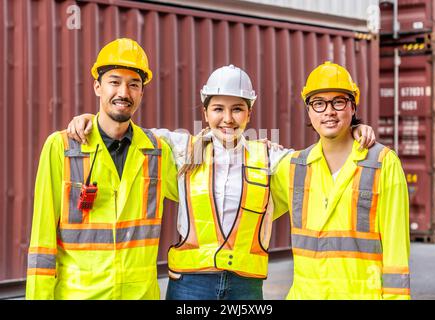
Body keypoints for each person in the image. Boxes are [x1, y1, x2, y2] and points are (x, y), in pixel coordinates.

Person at [66, 64, 376, 300]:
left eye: (237, 109)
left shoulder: (270, 158)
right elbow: (126, 131)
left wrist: (353, 133)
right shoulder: (180, 149)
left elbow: (318, 159)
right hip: (190, 285)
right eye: (218, 109)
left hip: (246, 287)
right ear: (204, 112)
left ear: (249, 114)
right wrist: (89, 121)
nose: (227, 119)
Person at [26, 38, 179, 299]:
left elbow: (201, 192)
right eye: (114, 82)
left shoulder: (158, 151)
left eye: (134, 84)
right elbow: (42, 240)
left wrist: (250, 147)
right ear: (98, 87)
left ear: (142, 92)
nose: (124, 92)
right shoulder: (62, 147)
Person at [271, 61, 410, 299]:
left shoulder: (383, 163)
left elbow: (397, 250)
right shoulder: (293, 167)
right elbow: (244, 211)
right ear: (308, 110)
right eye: (319, 103)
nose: (329, 111)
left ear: (353, 107)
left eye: (338, 101)